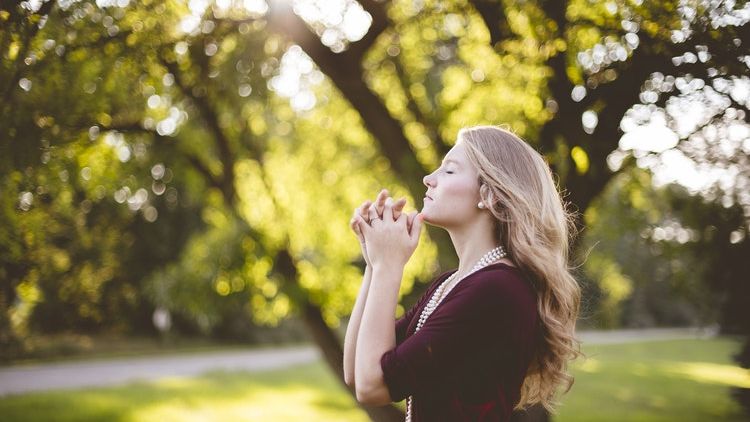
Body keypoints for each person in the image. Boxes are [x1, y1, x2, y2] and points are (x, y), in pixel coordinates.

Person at [343, 125, 583, 421]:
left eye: (449, 171)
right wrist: (374, 260)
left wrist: (388, 266)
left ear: (490, 195)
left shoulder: (497, 289)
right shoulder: (452, 283)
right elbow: (356, 371)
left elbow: (373, 386)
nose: (428, 179)